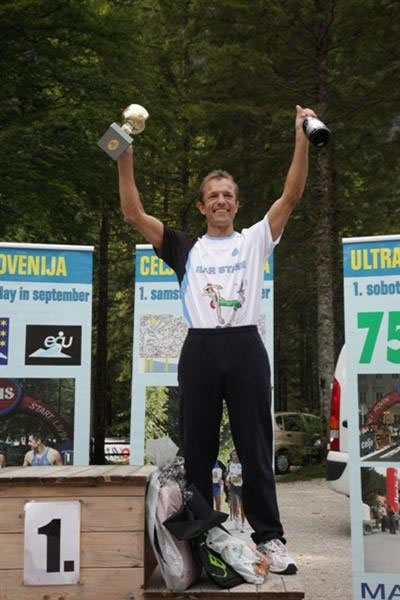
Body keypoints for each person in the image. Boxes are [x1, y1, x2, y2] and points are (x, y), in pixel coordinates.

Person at [118, 104, 316, 574]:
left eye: (228, 195)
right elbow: (133, 213)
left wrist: (302, 137)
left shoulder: (254, 240)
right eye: (213, 196)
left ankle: (270, 539)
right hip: (201, 349)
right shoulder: (185, 246)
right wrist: (124, 155)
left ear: (237, 204)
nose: (221, 201)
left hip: (245, 347)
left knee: (255, 446)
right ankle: (201, 537)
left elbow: (291, 195)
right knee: (198, 452)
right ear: (202, 206)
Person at [226, 449, 246, 533]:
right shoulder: (229, 464)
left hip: (242, 487)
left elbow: (247, 473)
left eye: (236, 454)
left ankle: (243, 524)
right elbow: (227, 474)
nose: (234, 456)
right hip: (233, 486)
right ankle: (237, 518)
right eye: (233, 454)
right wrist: (227, 481)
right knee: (235, 504)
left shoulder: (242, 464)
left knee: (242, 506)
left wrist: (241, 475)